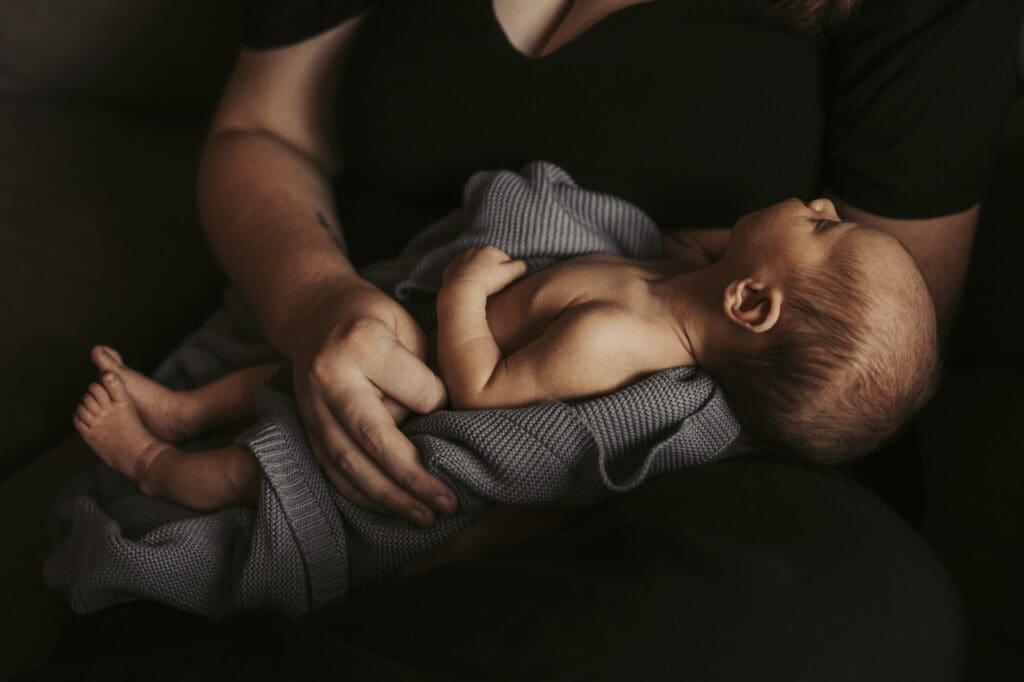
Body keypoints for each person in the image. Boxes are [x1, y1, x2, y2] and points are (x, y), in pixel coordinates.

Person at [40, 1, 1020, 679]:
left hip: (689, 470)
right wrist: (315, 305)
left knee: (861, 611)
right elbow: (265, 133)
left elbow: (866, 365)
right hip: (374, 340)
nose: (806, 210)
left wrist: (529, 504)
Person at [72, 195, 938, 514]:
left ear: (751, 302)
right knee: (286, 376)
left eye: (822, 227)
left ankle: (151, 464)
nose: (820, 199)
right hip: (411, 346)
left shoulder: (619, 340)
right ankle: (184, 410)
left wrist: (461, 292)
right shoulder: (678, 279)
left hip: (434, 395)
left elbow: (481, 391)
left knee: (268, 470)